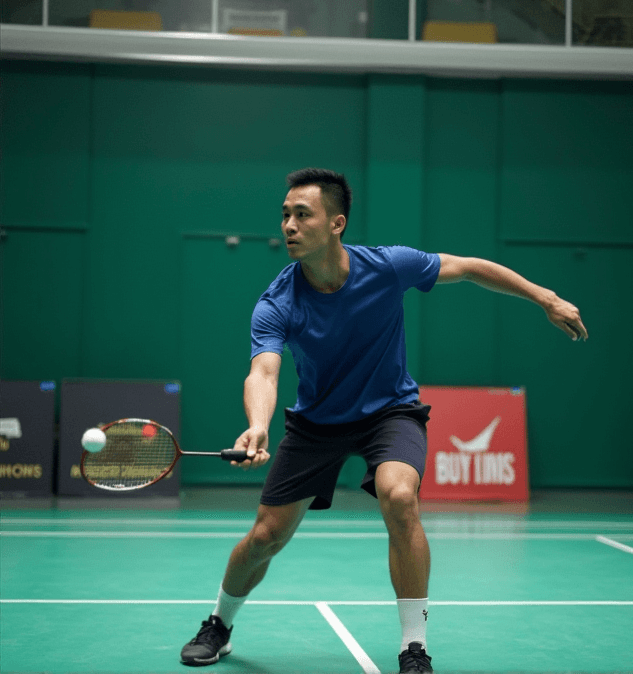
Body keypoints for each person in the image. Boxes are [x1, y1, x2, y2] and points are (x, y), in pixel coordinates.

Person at [180, 168, 588, 673]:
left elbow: (468, 266)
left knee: (399, 496)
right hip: (317, 422)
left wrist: (544, 297)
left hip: (389, 411)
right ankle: (219, 624)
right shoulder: (277, 300)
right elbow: (263, 370)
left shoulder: (389, 266)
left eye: (302, 214)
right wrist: (258, 424)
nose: (288, 224)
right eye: (284, 215)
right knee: (265, 536)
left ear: (336, 223)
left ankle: (414, 646)